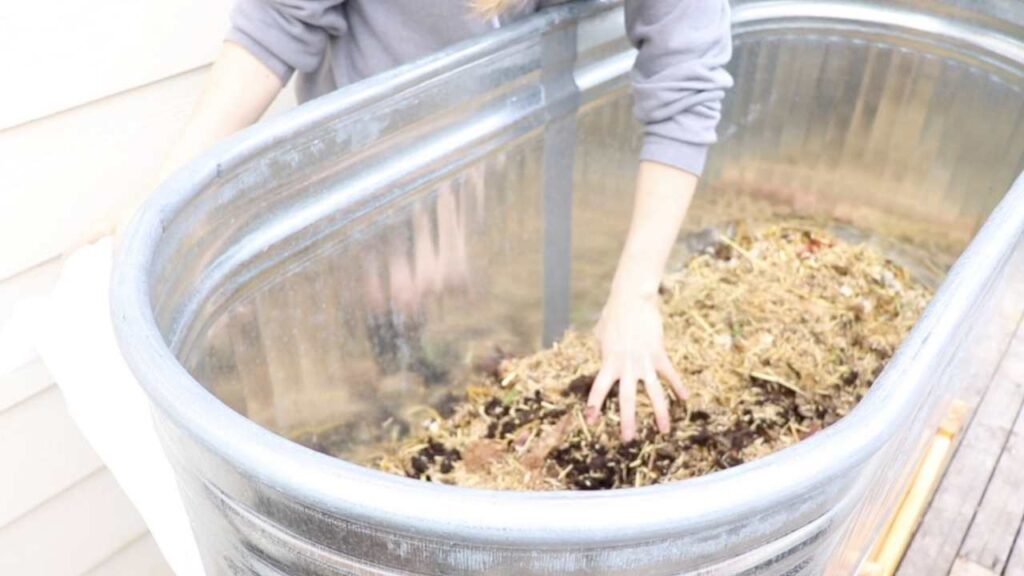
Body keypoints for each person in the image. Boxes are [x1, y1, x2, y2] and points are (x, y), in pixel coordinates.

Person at [159, 0, 733, 443]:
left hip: (522, 202)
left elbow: (686, 77)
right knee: (376, 417)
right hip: (372, 202)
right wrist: (166, 205)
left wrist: (633, 296)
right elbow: (277, 24)